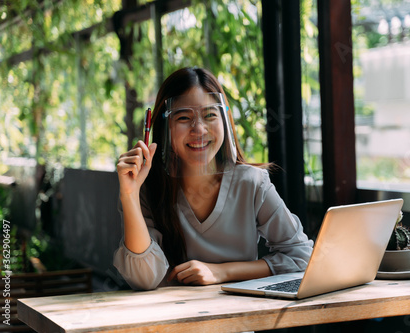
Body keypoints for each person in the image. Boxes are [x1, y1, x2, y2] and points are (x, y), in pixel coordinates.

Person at [113, 67, 313, 290]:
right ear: (164, 127)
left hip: (237, 322)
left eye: (210, 115)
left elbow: (301, 257)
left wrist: (221, 272)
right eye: (184, 117)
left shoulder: (252, 183)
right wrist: (129, 195)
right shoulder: (147, 189)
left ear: (225, 121)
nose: (198, 128)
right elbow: (144, 279)